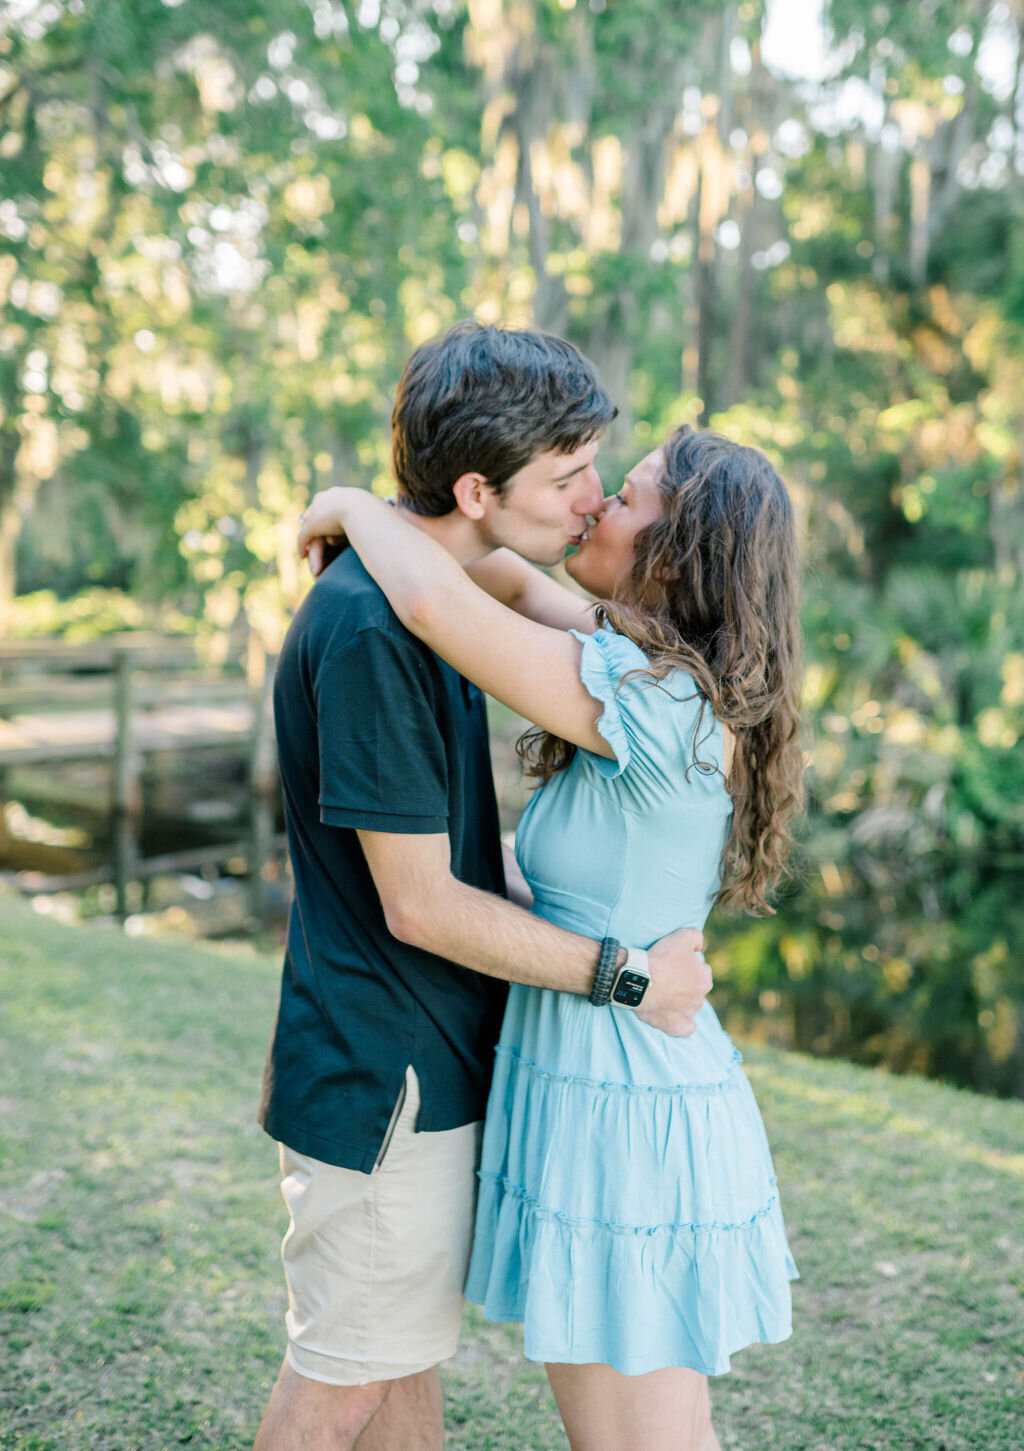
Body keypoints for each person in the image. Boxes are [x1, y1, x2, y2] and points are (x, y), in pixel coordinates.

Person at [296, 423, 804, 1451]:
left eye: (622, 495)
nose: (593, 505)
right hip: (593, 1080)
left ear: (680, 549)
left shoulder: (660, 703)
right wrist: (439, 519)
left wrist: (352, 508)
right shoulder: (643, 661)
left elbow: (438, 605)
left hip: (627, 1111)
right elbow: (515, 588)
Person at [253, 323, 711, 1451]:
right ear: (475, 486)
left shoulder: (444, 598)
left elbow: (525, 590)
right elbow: (420, 904)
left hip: (432, 1058)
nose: (592, 500)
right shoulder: (374, 627)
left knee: (397, 1367)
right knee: (339, 1385)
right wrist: (626, 976)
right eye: (568, 476)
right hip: (382, 1078)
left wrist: (355, 501)